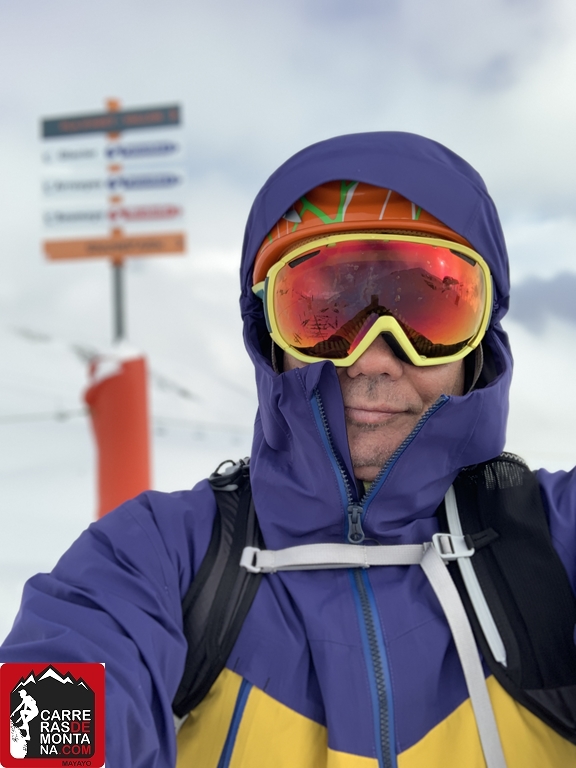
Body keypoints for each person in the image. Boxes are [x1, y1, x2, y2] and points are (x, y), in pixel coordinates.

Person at [1, 132, 575, 768]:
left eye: (428, 310)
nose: (373, 358)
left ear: (480, 343)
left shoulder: (556, 544)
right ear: (269, 340)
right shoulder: (156, 558)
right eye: (325, 310)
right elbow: (50, 710)